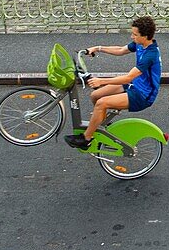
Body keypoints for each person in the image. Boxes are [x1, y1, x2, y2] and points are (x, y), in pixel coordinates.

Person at [64, 16, 162, 150]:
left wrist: (101, 80)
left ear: (145, 36)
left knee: (101, 103)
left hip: (143, 95)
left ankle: (86, 139)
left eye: (135, 34)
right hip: (134, 85)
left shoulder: (150, 55)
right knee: (95, 96)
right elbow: (121, 50)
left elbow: (128, 78)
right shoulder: (141, 44)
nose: (132, 37)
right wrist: (97, 48)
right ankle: (102, 127)